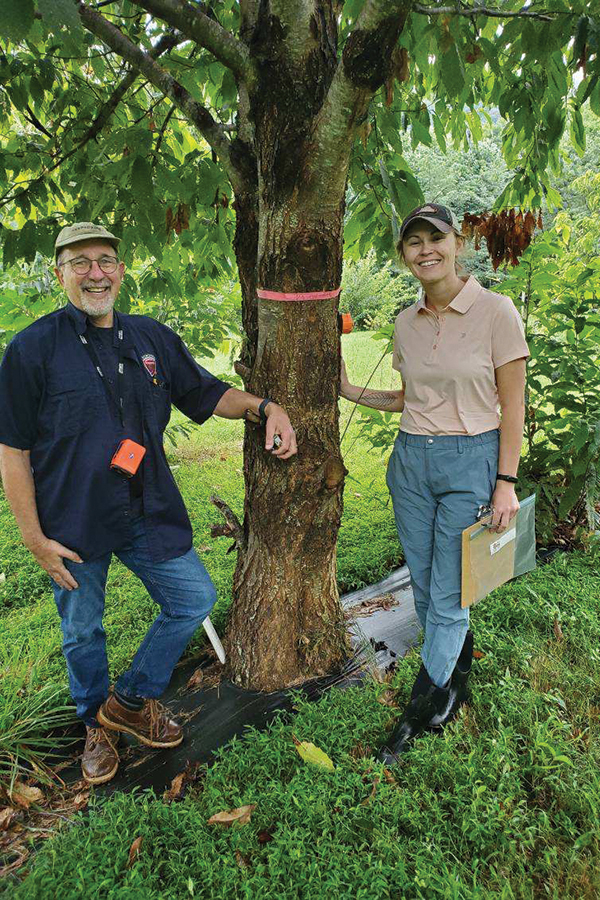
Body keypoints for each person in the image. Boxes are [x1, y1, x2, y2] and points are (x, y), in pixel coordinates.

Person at [0, 222, 297, 785]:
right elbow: (11, 448)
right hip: (71, 522)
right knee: (82, 630)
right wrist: (33, 537)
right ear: (59, 272)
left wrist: (266, 407)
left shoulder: (150, 338)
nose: (96, 272)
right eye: (80, 262)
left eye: (106, 260)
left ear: (121, 269)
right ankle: (95, 725)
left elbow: (206, 393)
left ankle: (130, 700)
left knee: (193, 598)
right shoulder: (32, 349)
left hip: (147, 507)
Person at [340, 203, 529, 762]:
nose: (425, 250)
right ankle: (457, 676)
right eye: (413, 243)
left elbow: (513, 405)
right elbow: (411, 399)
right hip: (411, 464)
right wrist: (352, 392)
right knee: (424, 586)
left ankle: (420, 711)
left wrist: (506, 481)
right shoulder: (405, 320)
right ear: (403, 255)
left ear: (457, 242)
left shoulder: (496, 312)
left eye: (435, 238)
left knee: (447, 595)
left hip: (471, 461)